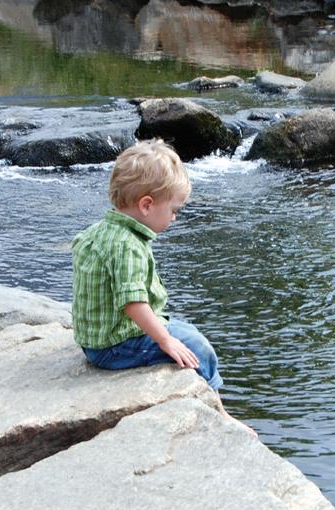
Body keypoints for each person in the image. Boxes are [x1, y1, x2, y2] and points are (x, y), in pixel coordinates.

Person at [72, 140, 253, 433]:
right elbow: (132, 303)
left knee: (183, 330)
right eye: (173, 209)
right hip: (114, 346)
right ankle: (220, 412)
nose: (175, 217)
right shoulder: (127, 246)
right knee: (197, 345)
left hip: (94, 339)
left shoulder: (98, 231)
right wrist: (165, 340)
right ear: (146, 205)